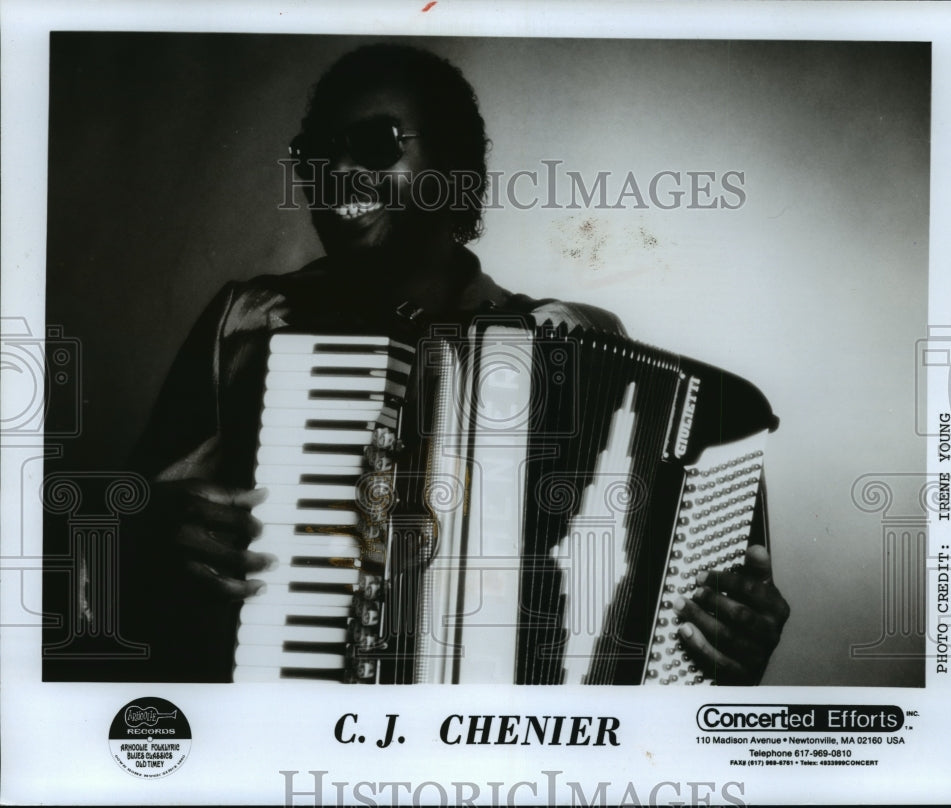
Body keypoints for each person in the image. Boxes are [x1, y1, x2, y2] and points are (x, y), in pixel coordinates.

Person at [128, 43, 789, 684]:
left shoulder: (571, 340)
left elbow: (640, 590)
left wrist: (724, 629)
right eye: (315, 152)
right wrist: (155, 529)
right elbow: (122, 546)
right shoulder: (253, 322)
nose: (334, 171)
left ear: (458, 170)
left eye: (376, 144)